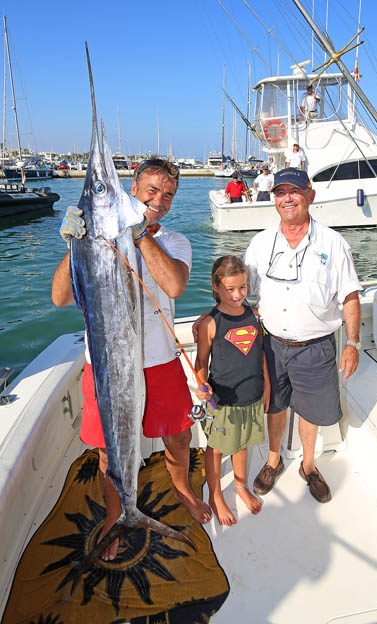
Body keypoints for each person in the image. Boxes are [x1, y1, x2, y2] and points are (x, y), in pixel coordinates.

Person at [51, 159, 212, 560]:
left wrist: (141, 236)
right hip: (105, 364)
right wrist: (75, 244)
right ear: (132, 187)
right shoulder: (95, 239)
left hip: (159, 362)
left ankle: (183, 490)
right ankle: (116, 514)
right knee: (109, 448)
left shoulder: (173, 241)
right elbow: (59, 298)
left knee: (178, 436)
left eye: (168, 195)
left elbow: (174, 284)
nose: (159, 200)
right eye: (151, 190)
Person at [243, 168, 361, 502]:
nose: (287, 198)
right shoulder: (260, 243)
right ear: (274, 199)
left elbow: (350, 296)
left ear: (310, 195)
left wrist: (351, 343)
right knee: (275, 405)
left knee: (311, 410)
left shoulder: (333, 243)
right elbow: (239, 290)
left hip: (317, 346)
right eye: (280, 193)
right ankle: (273, 459)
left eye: (294, 191)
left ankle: (308, 466)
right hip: (271, 344)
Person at [195, 256, 270, 526]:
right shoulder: (210, 323)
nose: (237, 295)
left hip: (251, 396)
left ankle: (240, 486)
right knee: (216, 448)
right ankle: (215, 494)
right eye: (230, 289)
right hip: (223, 400)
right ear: (216, 287)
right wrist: (202, 383)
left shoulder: (254, 315)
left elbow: (260, 355)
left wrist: (267, 388)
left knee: (242, 445)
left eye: (242, 287)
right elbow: (201, 361)